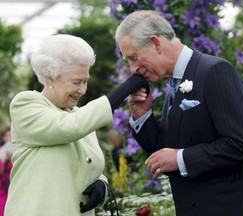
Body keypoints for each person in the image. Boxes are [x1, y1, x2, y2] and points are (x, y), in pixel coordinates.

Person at [115, 10, 243, 216]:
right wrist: (142, 117)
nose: (132, 69)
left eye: (133, 57)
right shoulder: (174, 87)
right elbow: (166, 155)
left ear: (156, 43)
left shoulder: (215, 71)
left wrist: (180, 159)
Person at [5, 34, 149, 216]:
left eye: (85, 81)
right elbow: (70, 127)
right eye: (76, 82)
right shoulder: (25, 104)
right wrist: (124, 89)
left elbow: (88, 166)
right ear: (50, 77)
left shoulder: (80, 116)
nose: (82, 89)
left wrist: (102, 186)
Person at [0, 126, 12, 215]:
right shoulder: (2, 151)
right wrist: (6, 162)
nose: (9, 138)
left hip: (13, 185)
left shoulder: (18, 152)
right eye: (7, 136)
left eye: (11, 136)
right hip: (3, 188)